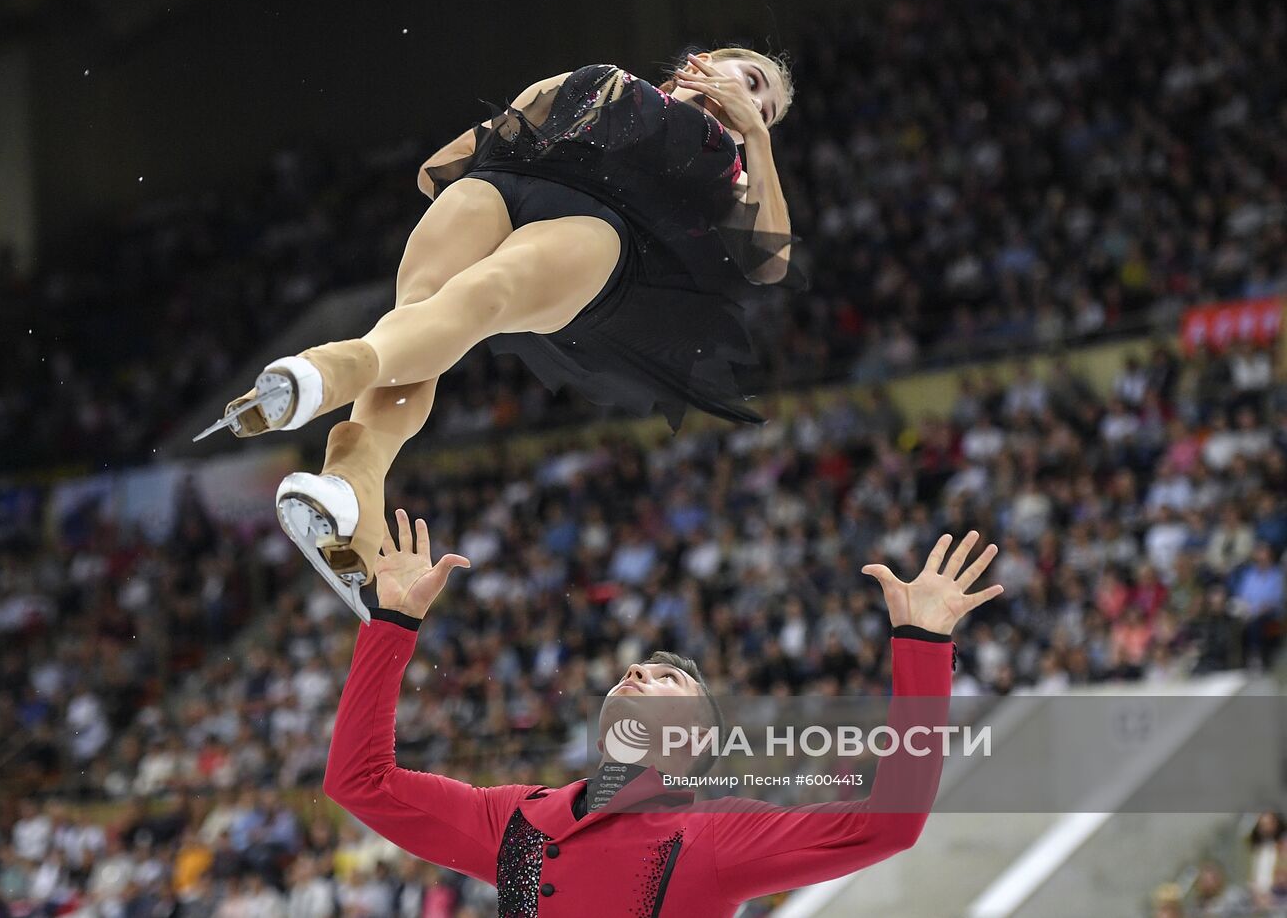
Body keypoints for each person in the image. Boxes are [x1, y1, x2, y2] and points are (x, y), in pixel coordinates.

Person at [194, 49, 801, 616]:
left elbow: (768, 260)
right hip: (504, 184)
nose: (751, 98)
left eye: (766, 105)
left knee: (478, 298)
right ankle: (352, 488)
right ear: (702, 62)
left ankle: (327, 372)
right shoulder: (607, 81)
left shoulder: (730, 167)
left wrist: (755, 137)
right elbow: (486, 138)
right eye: (748, 76)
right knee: (419, 323)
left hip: (602, 229)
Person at [322, 512, 1002, 914]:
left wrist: (921, 647)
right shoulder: (517, 820)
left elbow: (886, 825)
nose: (637, 669)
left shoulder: (713, 834)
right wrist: (391, 623)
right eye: (634, 668)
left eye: (667, 675)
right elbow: (359, 781)